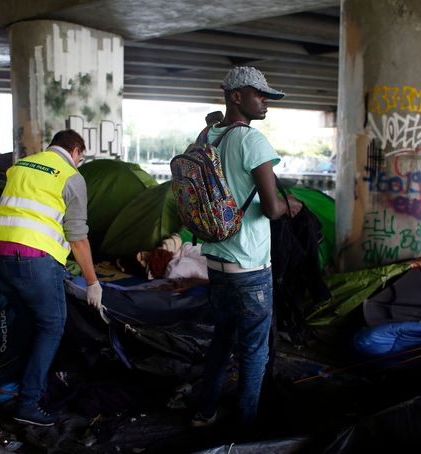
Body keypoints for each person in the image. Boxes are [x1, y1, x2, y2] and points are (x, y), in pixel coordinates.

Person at [191, 67, 302, 430]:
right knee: (254, 351)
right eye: (259, 94)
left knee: (221, 342)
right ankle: (246, 425)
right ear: (236, 96)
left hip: (216, 262)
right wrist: (292, 206)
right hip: (250, 269)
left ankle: (204, 412)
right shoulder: (253, 141)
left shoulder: (207, 136)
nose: (266, 100)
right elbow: (271, 209)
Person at [0, 129, 102, 426]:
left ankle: (12, 381)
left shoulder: (21, 165)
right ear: (75, 150)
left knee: (26, 320)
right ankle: (29, 403)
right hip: (31, 261)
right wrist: (92, 282)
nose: (80, 162)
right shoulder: (71, 176)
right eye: (81, 156)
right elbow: (78, 238)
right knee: (51, 325)